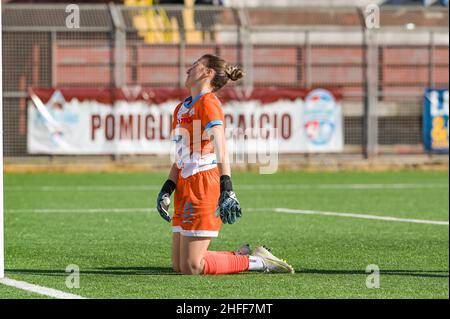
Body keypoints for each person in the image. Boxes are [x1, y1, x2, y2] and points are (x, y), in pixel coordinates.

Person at [156, 54, 294, 275]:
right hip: (185, 185)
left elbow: (221, 145)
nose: (188, 70)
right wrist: (167, 188)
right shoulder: (180, 109)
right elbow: (181, 156)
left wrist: (227, 186)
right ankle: (240, 256)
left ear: (208, 73)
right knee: (179, 266)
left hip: (204, 183)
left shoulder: (208, 102)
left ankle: (257, 262)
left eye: (195, 66)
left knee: (192, 266)